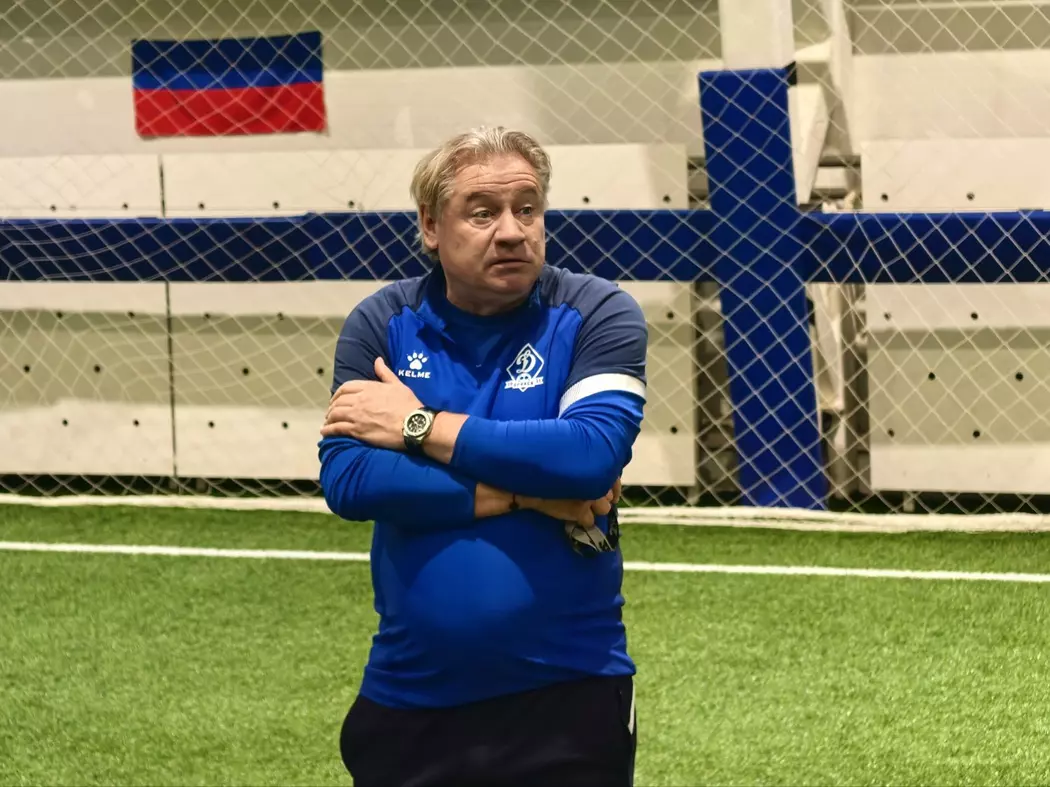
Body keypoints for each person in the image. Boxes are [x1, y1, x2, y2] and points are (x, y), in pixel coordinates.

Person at [318, 126, 648, 787]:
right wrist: (523, 491)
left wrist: (416, 425)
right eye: (482, 212)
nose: (512, 231)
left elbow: (587, 457)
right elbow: (352, 479)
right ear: (430, 225)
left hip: (570, 694)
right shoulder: (382, 323)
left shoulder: (597, 311)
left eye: (527, 209)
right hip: (409, 694)